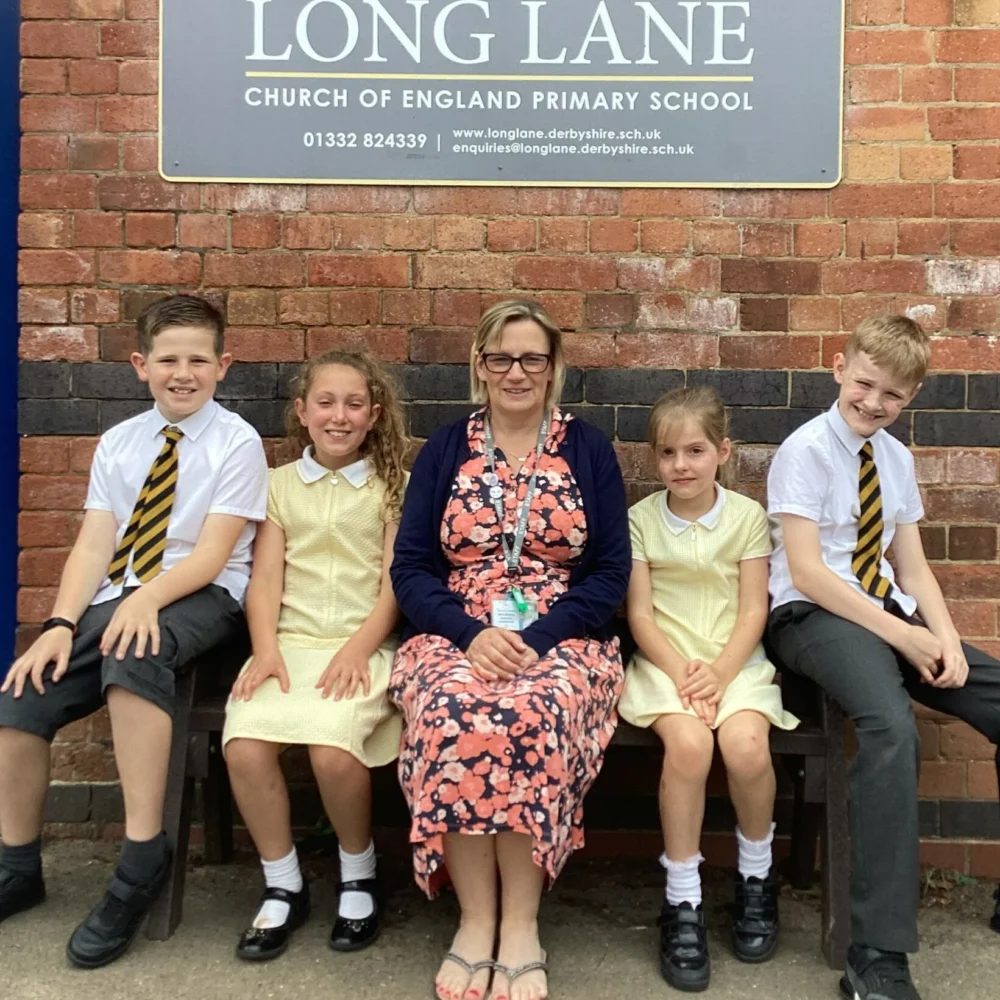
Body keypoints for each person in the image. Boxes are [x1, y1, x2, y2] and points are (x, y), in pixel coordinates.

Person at [0, 295, 268, 967]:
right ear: (140, 365)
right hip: (118, 595)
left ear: (222, 365)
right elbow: (95, 545)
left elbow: (213, 553)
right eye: (169, 359)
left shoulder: (236, 442)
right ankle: (18, 866)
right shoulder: (119, 442)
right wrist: (59, 624)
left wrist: (147, 601)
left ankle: (142, 856)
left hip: (203, 595)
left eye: (198, 360)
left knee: (132, 654)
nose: (184, 373)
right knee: (21, 700)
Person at [389, 299, 631, 1000]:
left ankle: (521, 924)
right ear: (480, 366)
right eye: (501, 357)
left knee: (536, 709)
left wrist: (535, 639)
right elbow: (410, 567)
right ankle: (475, 920)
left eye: (533, 358)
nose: (516, 371)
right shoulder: (446, 448)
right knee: (457, 711)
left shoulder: (587, 447)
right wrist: (471, 635)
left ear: (554, 368)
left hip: (562, 636)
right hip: (457, 631)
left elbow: (611, 571)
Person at [766, 315, 1000, 1000]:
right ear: (839, 367)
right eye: (865, 384)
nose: (873, 403)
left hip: (886, 611)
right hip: (810, 617)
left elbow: (915, 569)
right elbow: (808, 572)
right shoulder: (804, 450)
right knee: (890, 729)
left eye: (892, 396)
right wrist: (905, 638)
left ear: (911, 398)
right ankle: (875, 956)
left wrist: (947, 638)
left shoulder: (895, 460)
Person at [222, 350, 407, 961]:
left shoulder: (391, 487)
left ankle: (359, 871)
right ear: (302, 412)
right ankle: (284, 883)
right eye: (325, 403)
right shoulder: (277, 486)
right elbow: (266, 579)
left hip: (362, 644)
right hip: (290, 644)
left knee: (333, 749)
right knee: (244, 743)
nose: (339, 416)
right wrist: (265, 649)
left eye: (354, 404)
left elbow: (392, 584)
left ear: (373, 415)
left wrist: (360, 648)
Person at [620, 386, 798, 993]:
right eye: (668, 453)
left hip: (735, 663)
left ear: (723, 451)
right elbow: (640, 616)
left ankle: (755, 878)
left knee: (747, 748)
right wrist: (683, 673)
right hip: (666, 665)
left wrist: (720, 674)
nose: (682, 466)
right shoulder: (640, 521)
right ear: (655, 459)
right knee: (691, 748)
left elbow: (754, 611)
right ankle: (683, 897)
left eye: (695, 450)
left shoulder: (748, 519)